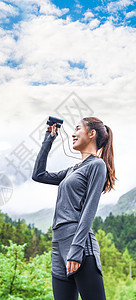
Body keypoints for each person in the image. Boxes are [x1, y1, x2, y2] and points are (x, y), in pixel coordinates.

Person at [32, 117, 117, 300]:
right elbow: (38, 175)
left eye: (78, 128)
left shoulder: (97, 165)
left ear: (91, 133)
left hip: (80, 246)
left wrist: (76, 249)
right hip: (58, 246)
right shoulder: (72, 170)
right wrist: (49, 137)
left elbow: (89, 209)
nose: (73, 133)